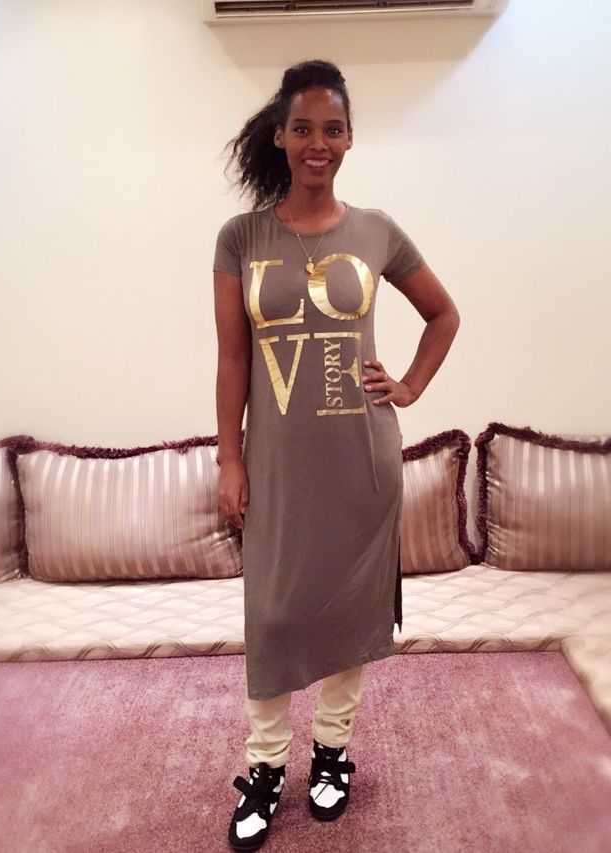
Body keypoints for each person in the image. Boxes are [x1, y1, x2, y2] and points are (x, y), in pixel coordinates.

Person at [213, 59, 460, 851]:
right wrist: (229, 459)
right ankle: (263, 765)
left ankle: (331, 750)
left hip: (362, 457)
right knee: (273, 612)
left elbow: (444, 315)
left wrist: (409, 386)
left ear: (349, 138)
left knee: (350, 608)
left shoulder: (376, 229)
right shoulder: (241, 238)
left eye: (333, 128)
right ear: (280, 137)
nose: (318, 142)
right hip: (279, 463)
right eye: (304, 128)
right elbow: (232, 359)